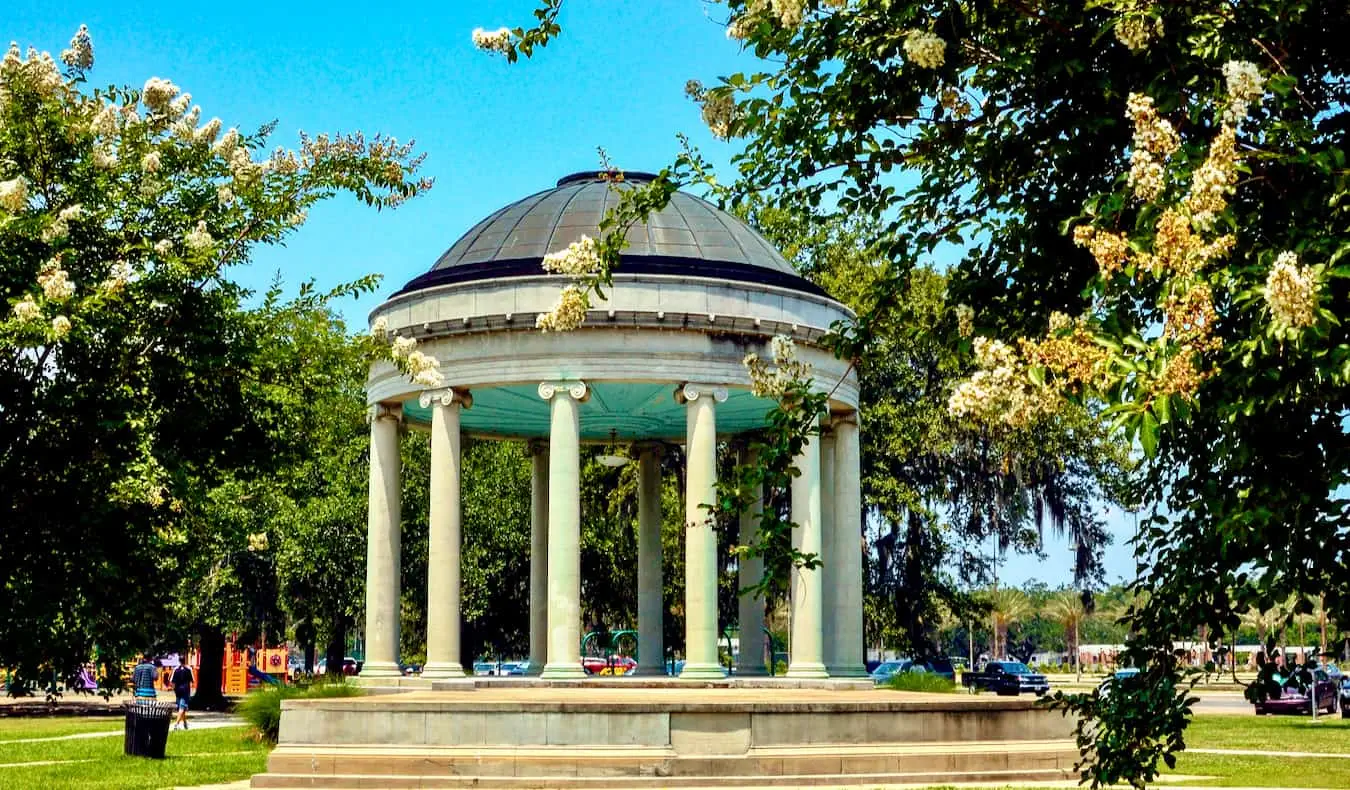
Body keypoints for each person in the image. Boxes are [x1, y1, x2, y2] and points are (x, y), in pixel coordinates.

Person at [171, 660, 194, 730]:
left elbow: (172, 681)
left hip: (178, 691)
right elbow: (193, 680)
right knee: (182, 708)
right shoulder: (189, 669)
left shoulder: (175, 669)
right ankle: (176, 724)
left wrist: (174, 689)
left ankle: (185, 723)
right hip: (185, 691)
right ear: (185, 660)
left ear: (179, 661)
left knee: (181, 708)